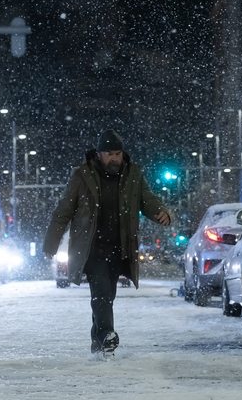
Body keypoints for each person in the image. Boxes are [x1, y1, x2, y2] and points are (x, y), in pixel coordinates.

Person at [43, 129, 172, 358]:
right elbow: (63, 211)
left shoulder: (133, 174)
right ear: (99, 154)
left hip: (120, 246)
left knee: (106, 295)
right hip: (91, 247)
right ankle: (107, 335)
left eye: (118, 153)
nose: (114, 158)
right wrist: (51, 243)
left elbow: (147, 200)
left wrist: (161, 213)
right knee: (101, 292)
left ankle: (99, 343)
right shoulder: (82, 175)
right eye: (110, 154)